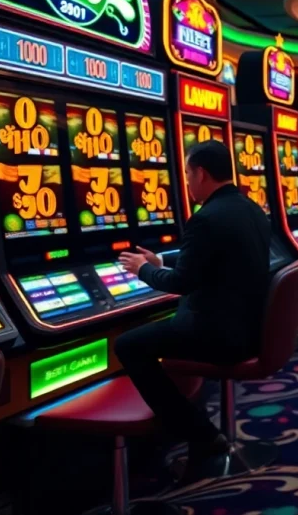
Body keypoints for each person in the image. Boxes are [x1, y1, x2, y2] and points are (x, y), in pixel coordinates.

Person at [116, 141, 270, 479]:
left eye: (187, 173)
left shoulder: (205, 218)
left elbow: (183, 283)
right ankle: (190, 428)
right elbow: (217, 260)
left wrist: (142, 270)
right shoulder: (251, 208)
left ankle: (197, 432)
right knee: (159, 329)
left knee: (127, 344)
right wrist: (162, 262)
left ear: (201, 173)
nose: (186, 182)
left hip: (220, 336)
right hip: (251, 328)